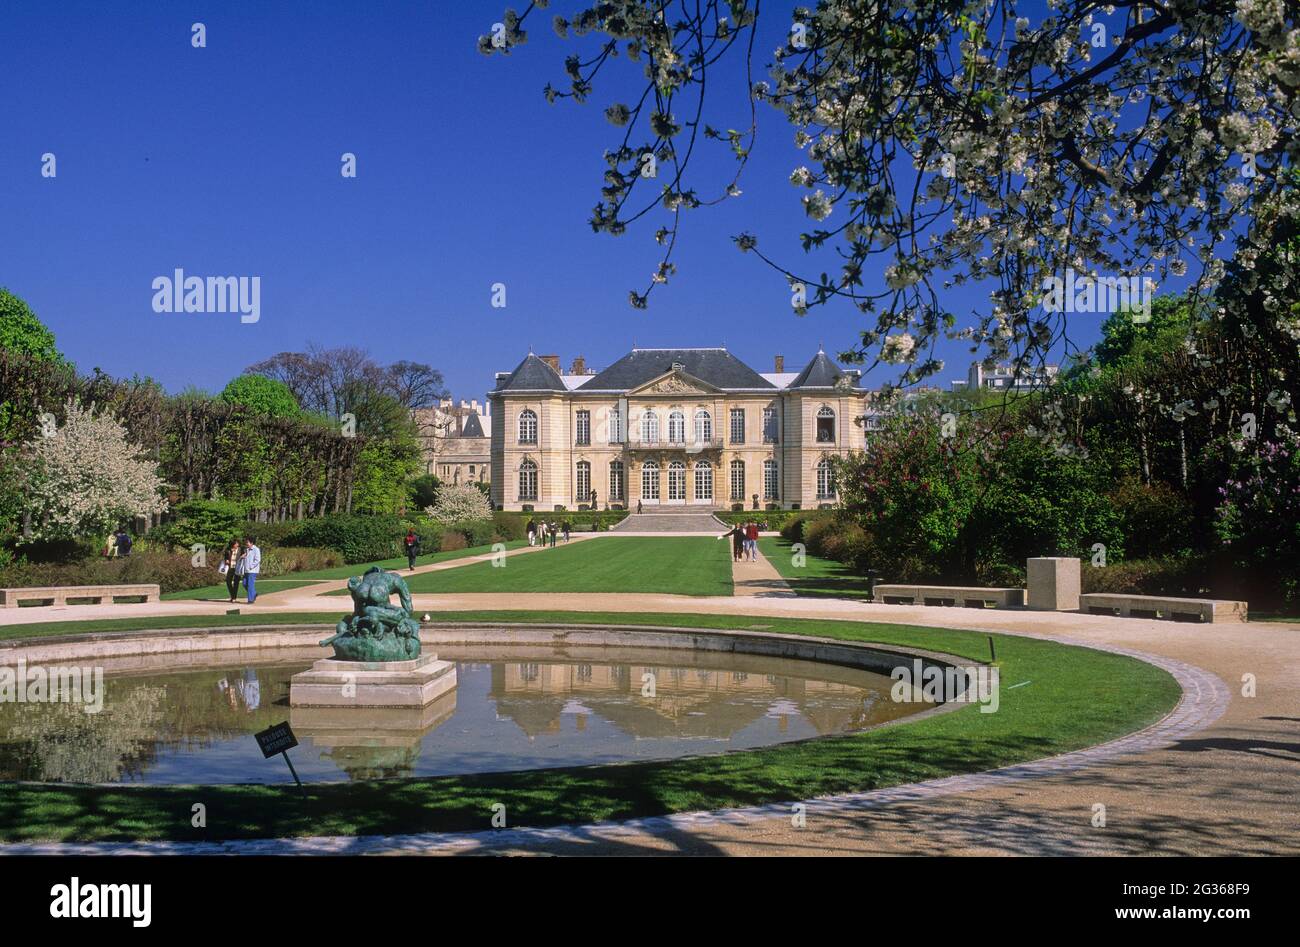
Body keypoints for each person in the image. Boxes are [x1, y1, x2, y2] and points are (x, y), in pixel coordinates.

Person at [240, 535, 262, 604]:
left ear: (252, 542)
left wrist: (251, 566)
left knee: (250, 584)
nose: (246, 543)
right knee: (244, 583)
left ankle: (250, 600)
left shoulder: (256, 549)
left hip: (252, 570)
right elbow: (246, 559)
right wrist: (243, 557)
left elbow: (258, 560)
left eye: (247, 542)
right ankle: (254, 594)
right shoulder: (246, 550)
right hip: (246, 570)